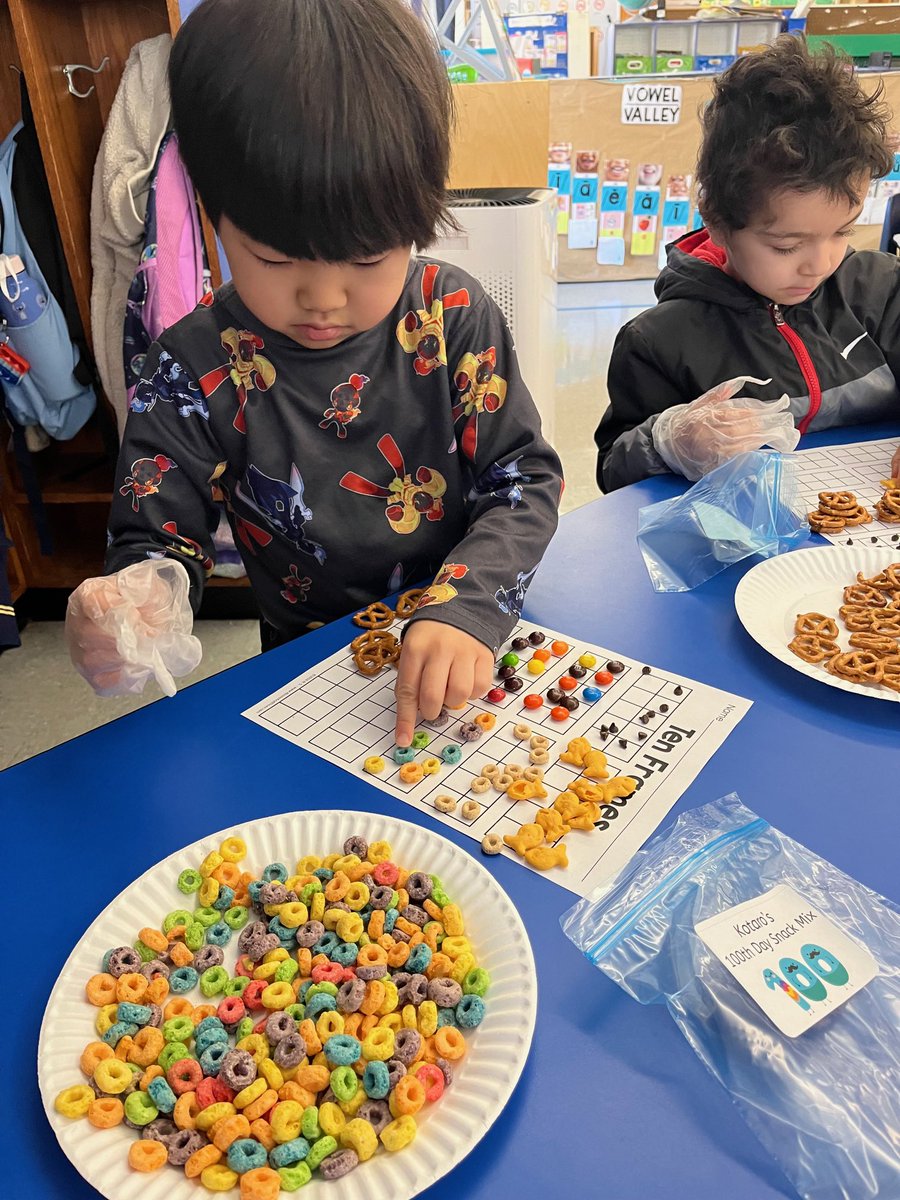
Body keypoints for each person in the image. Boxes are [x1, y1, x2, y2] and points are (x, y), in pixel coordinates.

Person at [65, 0, 563, 748]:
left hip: (469, 635)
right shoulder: (193, 364)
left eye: (368, 261)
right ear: (211, 214)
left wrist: (468, 604)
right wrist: (137, 600)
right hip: (300, 670)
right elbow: (157, 536)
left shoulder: (453, 316)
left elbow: (521, 477)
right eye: (274, 258)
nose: (324, 298)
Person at [596, 36, 900, 492]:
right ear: (718, 223)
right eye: (785, 245)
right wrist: (666, 443)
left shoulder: (878, 289)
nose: (820, 264)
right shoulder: (659, 342)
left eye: (842, 231)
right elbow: (614, 473)